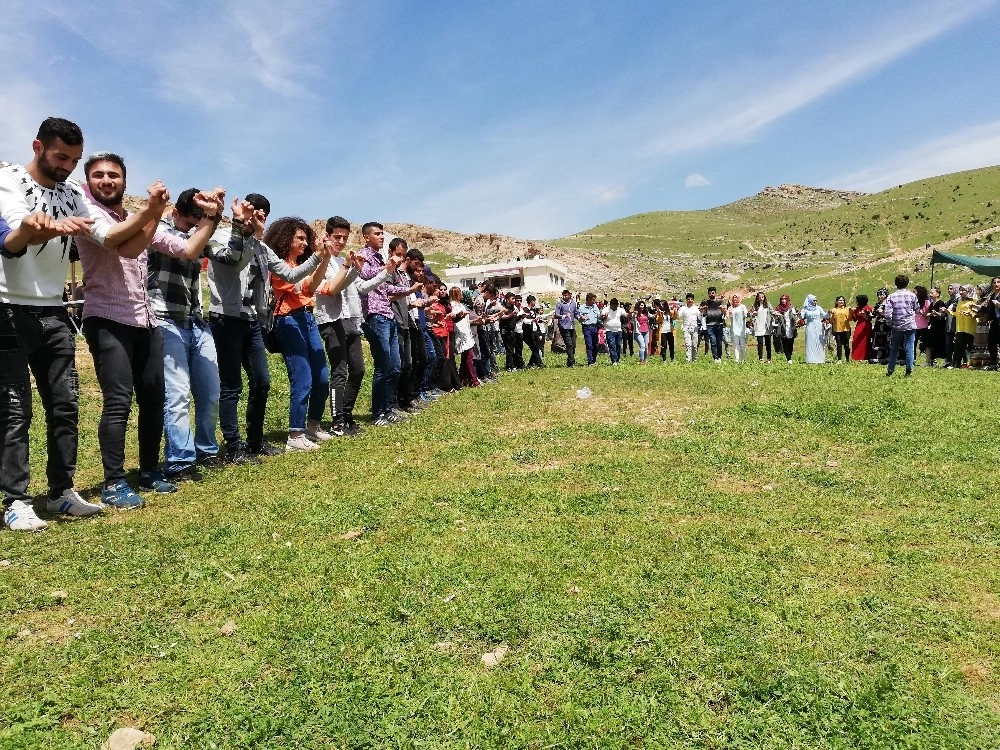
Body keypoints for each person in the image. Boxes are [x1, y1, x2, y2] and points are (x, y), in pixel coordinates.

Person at [0, 118, 166, 530]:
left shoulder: (74, 194)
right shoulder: (10, 181)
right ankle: (17, 500)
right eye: (61, 157)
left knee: (65, 404)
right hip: (8, 307)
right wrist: (33, 229)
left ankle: (60, 492)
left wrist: (151, 212)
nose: (68, 167)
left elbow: (112, 240)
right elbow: (8, 242)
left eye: (74, 160)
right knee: (16, 409)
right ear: (38, 146)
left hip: (54, 310)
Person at [77, 153, 220, 509]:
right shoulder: (89, 215)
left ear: (125, 182)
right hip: (107, 319)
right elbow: (117, 242)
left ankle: (149, 470)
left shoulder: (136, 218)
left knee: (154, 401)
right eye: (98, 175)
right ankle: (113, 482)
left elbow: (188, 249)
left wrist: (210, 217)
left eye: (113, 175)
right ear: (89, 180)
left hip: (146, 321)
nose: (106, 180)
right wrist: (153, 212)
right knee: (118, 402)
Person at [208, 195, 325, 458]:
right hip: (226, 319)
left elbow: (291, 274)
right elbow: (235, 259)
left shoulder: (262, 248)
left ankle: (255, 442)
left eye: (264, 214)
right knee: (231, 386)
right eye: (254, 211)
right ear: (242, 211)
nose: (259, 217)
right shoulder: (220, 235)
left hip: (254, 321)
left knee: (261, 382)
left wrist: (318, 255)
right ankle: (234, 446)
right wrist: (249, 234)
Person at [149, 188, 227, 481]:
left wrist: (245, 229)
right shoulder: (157, 229)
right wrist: (210, 220)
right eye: (190, 222)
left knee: (209, 393)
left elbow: (230, 255)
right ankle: (180, 461)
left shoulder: (199, 232)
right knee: (177, 394)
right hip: (165, 320)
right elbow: (187, 246)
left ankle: (206, 450)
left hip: (196, 322)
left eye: (199, 223)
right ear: (175, 213)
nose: (194, 229)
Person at [264, 217, 331, 450]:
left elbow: (313, 286)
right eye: (299, 238)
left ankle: (313, 425)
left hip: (307, 318)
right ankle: (295, 434)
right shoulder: (279, 267)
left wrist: (326, 258)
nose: (304, 243)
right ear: (286, 239)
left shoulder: (299, 265)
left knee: (322, 376)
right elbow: (302, 286)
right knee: (302, 377)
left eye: (306, 239)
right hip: (288, 320)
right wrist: (318, 258)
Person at [357, 222, 416, 425]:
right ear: (366, 237)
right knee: (382, 366)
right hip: (375, 316)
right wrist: (387, 267)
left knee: (395, 367)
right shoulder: (363, 256)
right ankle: (377, 414)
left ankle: (388, 408)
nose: (382, 237)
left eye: (383, 233)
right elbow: (365, 277)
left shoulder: (380, 257)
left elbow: (387, 287)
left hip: (388, 315)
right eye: (377, 234)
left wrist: (408, 290)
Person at [883, 274, 919, 377]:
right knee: (909, 347)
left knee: (894, 348)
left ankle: (890, 369)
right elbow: (917, 309)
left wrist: (890, 323)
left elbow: (888, 314)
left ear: (896, 284)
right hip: (910, 324)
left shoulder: (891, 296)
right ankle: (909, 368)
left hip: (897, 325)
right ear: (907, 283)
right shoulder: (912, 295)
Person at [947, 285, 978, 369]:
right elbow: (957, 314)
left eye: (963, 290)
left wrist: (969, 313)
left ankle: (974, 364)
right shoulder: (960, 301)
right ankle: (956, 365)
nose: (961, 292)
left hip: (970, 328)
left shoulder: (974, 301)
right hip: (960, 328)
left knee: (972, 347)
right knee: (958, 347)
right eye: (960, 290)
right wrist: (949, 312)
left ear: (968, 291)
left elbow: (977, 314)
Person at [977, 276, 1000, 370]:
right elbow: (986, 309)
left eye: (998, 282)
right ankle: (993, 364)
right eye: (994, 282)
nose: (996, 284)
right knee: (992, 343)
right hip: (994, 322)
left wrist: (998, 304)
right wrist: (976, 308)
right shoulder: (991, 296)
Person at [800, 295, 828, 364]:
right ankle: (811, 359)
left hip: (819, 326)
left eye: (816, 300)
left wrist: (829, 313)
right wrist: (799, 314)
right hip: (810, 326)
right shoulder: (805, 309)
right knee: (810, 341)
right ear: (809, 301)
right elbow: (801, 317)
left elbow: (824, 315)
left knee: (819, 342)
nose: (815, 302)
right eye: (814, 300)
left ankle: (820, 359)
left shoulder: (818, 308)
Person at [553, 289, 578, 367]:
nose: (564, 297)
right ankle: (572, 362)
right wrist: (564, 316)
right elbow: (556, 314)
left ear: (570, 295)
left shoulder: (573, 304)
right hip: (564, 327)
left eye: (566, 295)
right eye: (563, 295)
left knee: (573, 344)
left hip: (572, 326)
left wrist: (581, 318)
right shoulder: (559, 304)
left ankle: (569, 361)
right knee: (569, 344)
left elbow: (576, 314)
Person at [925, 287, 948, 366]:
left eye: (932, 293)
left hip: (939, 327)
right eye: (930, 293)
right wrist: (929, 314)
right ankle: (929, 361)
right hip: (932, 325)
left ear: (937, 294)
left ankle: (946, 361)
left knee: (941, 343)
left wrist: (936, 314)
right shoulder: (931, 304)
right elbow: (929, 313)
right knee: (929, 344)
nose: (930, 294)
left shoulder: (940, 303)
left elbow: (943, 315)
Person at [701, 286, 725, 362]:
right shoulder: (706, 303)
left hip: (719, 324)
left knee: (719, 342)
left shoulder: (720, 301)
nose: (711, 294)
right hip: (710, 325)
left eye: (713, 293)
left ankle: (719, 357)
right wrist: (704, 310)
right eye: (710, 293)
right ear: (708, 294)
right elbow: (704, 315)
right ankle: (715, 358)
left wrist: (722, 309)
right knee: (713, 341)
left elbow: (724, 313)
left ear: (715, 293)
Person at [771, 294, 798, 363]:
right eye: (782, 299)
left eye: (785, 299)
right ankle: (788, 359)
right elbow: (775, 319)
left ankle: (790, 356)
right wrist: (775, 315)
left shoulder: (791, 308)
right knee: (784, 343)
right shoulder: (778, 308)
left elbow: (795, 317)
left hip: (791, 327)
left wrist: (796, 318)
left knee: (790, 343)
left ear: (787, 300)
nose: (783, 300)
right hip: (782, 328)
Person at [601, 298, 626, 365]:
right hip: (609, 331)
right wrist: (605, 317)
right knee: (612, 345)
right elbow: (601, 318)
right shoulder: (605, 309)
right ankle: (614, 360)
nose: (616, 307)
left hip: (618, 330)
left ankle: (617, 360)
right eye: (614, 305)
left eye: (616, 305)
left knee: (618, 345)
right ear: (611, 304)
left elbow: (625, 315)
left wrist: (630, 314)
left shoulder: (620, 309)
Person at [677, 293, 701, 362]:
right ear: (686, 300)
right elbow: (679, 316)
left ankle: (694, 360)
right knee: (688, 345)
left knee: (694, 345)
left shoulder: (696, 308)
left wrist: (702, 312)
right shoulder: (683, 308)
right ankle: (688, 360)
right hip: (686, 328)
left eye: (691, 299)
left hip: (695, 328)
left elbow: (700, 317)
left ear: (693, 300)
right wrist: (676, 311)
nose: (690, 300)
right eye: (688, 299)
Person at [578, 292, 600, 365]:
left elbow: (598, 317)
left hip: (595, 327)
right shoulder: (582, 308)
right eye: (593, 300)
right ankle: (590, 361)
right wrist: (581, 318)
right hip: (587, 327)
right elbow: (579, 319)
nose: (594, 301)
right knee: (589, 344)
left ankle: (594, 360)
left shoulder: (595, 307)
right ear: (588, 299)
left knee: (596, 345)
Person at [750, 292, 772, 363]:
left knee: (768, 342)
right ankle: (761, 358)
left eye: (762, 297)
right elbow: (751, 315)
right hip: (758, 326)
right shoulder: (754, 305)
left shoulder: (768, 304)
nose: (761, 298)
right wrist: (752, 315)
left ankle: (769, 358)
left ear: (764, 297)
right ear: (757, 298)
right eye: (760, 297)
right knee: (760, 343)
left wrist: (775, 313)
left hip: (766, 326)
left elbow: (772, 311)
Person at [829, 296, 851, 363]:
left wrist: (851, 312)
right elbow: (831, 321)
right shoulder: (834, 310)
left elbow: (850, 319)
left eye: (842, 300)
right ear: (836, 302)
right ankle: (839, 359)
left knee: (846, 345)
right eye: (840, 300)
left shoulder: (847, 309)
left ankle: (847, 359)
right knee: (839, 344)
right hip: (837, 330)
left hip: (846, 329)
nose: (841, 301)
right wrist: (831, 315)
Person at [850, 294, 872, 362]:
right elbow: (854, 319)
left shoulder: (868, 308)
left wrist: (865, 315)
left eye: (857, 301)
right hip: (859, 325)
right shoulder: (857, 309)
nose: (856, 302)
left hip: (866, 325)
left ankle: (865, 357)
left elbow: (870, 318)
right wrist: (852, 312)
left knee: (865, 341)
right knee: (856, 340)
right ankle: (856, 357)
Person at [727, 294, 748, 363]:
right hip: (734, 328)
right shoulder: (731, 307)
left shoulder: (742, 306)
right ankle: (737, 360)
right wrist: (727, 312)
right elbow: (728, 316)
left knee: (742, 344)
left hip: (742, 328)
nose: (735, 299)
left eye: (736, 298)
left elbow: (746, 314)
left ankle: (744, 359)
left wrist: (747, 313)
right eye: (733, 298)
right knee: (736, 345)